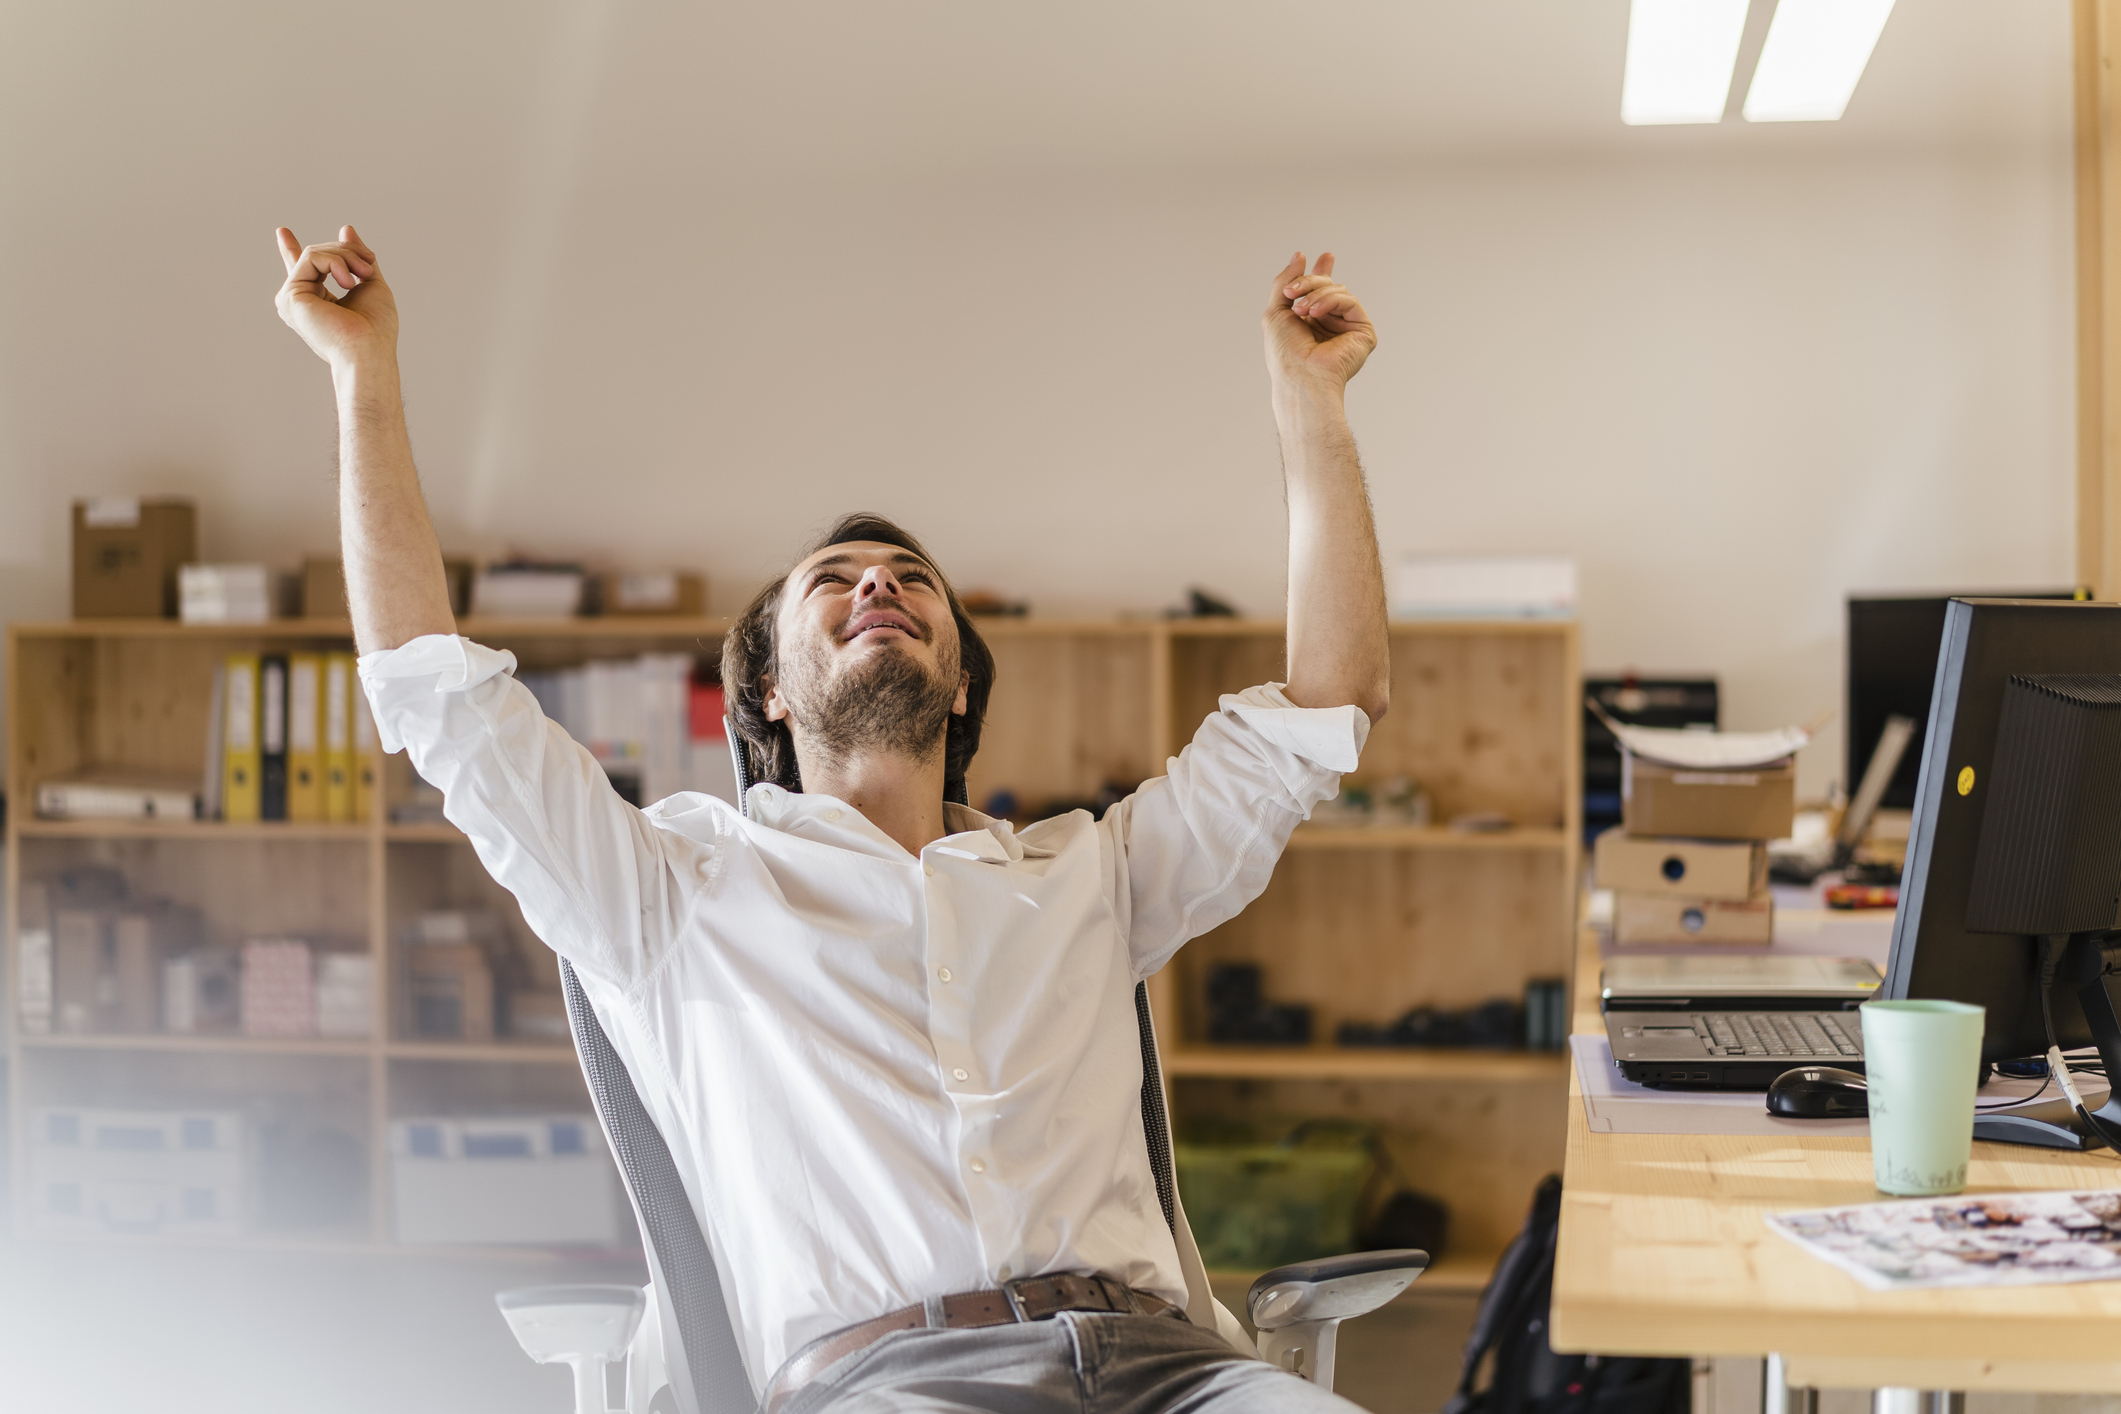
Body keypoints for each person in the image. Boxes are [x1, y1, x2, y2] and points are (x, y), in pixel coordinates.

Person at [273, 224, 1390, 1413]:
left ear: (960, 681)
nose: (881, 584)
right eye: (835, 578)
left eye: (914, 581)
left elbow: (1331, 701)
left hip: (1176, 1375)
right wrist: (363, 375)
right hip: (895, 1382)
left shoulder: (1092, 874)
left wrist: (1310, 403)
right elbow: (435, 691)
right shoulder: (672, 892)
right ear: (766, 686)